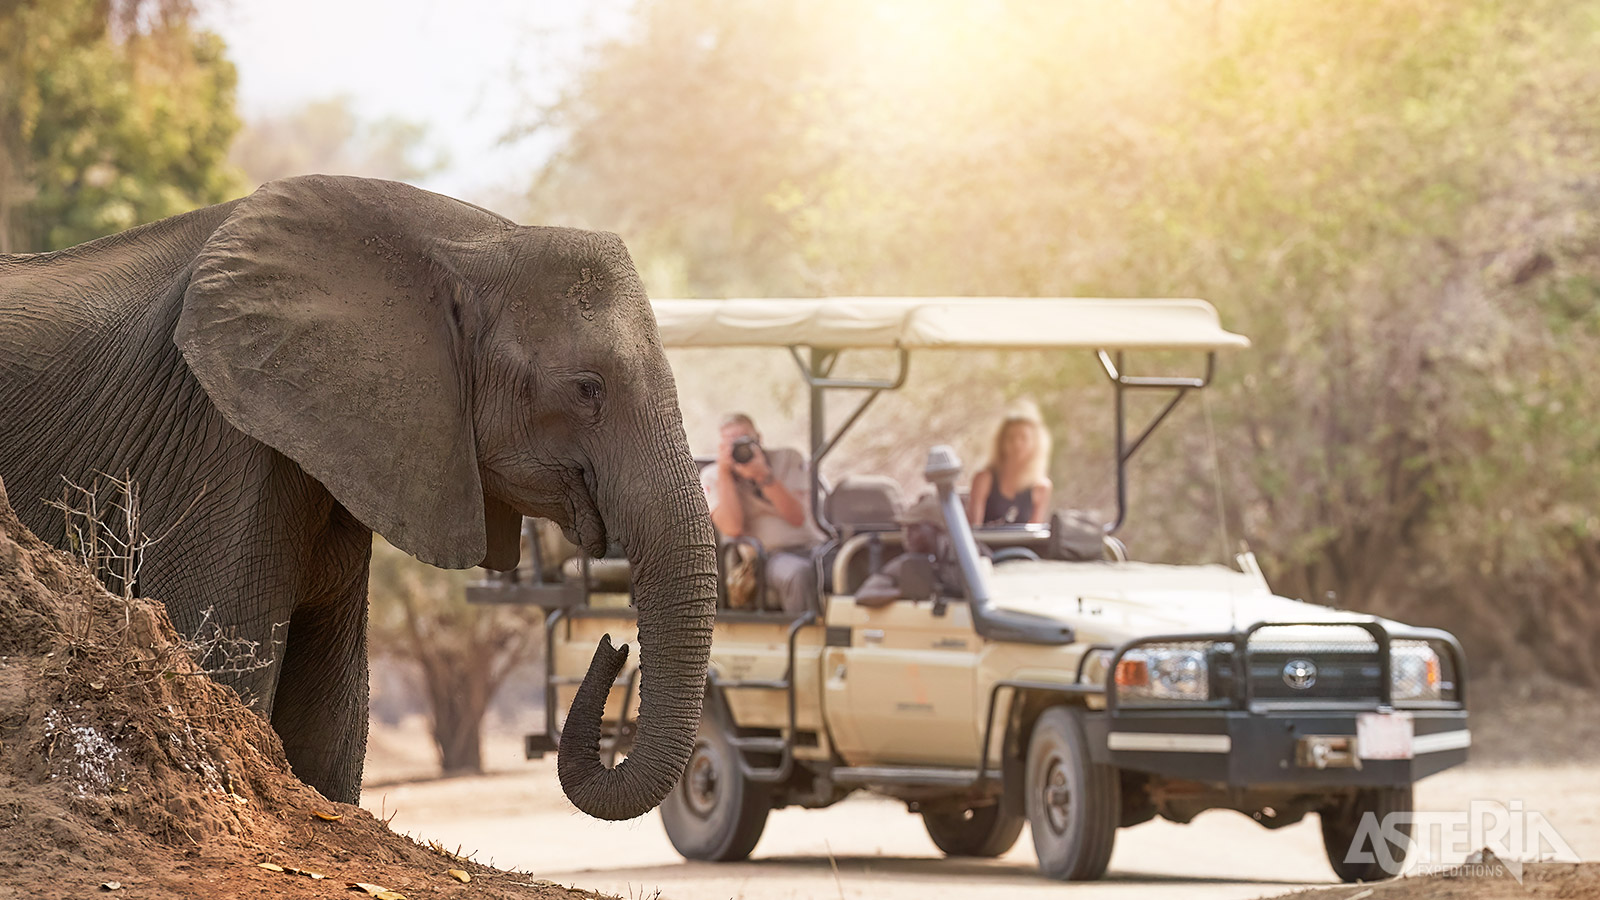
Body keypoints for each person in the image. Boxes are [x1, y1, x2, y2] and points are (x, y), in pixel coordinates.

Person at [702, 413, 825, 614]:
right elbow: (733, 528)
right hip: (765, 557)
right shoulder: (713, 476)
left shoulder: (788, 458)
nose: (739, 448)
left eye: (745, 440)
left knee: (844, 566)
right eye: (732, 443)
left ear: (758, 439)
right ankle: (804, 641)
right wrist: (725, 474)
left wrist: (763, 476)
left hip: (813, 547)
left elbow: (797, 517)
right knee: (797, 573)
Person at [856, 493, 965, 608]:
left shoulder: (968, 556)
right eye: (905, 528)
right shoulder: (910, 562)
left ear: (934, 528)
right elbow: (865, 595)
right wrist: (905, 592)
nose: (907, 535)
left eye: (914, 528)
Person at [967, 401, 1053, 527]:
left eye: (1023, 438)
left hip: (1022, 547)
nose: (1017, 444)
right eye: (1011, 438)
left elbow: (1034, 535)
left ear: (1035, 444)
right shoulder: (984, 479)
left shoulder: (1042, 488)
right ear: (1001, 442)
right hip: (984, 546)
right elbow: (973, 531)